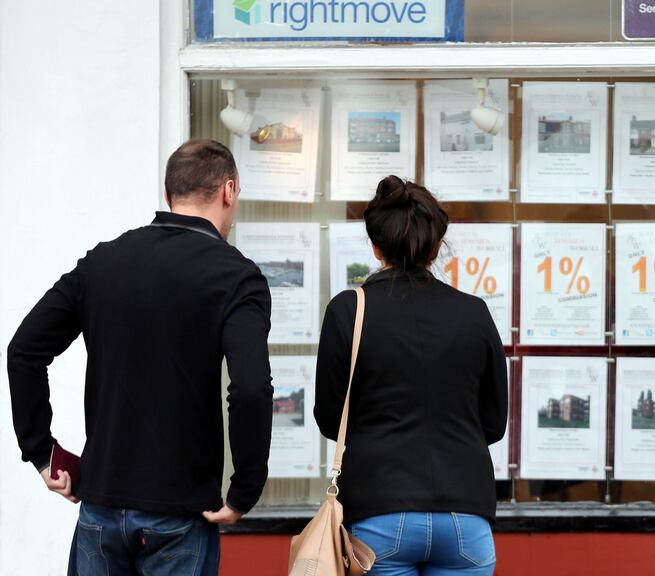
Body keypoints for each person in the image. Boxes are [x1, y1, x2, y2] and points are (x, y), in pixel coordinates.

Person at [6, 139, 273, 575]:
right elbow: (251, 388)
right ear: (229, 191)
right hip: (181, 515)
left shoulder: (102, 262)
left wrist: (42, 452)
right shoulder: (237, 276)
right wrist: (245, 489)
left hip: (101, 506)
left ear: (169, 194)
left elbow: (24, 351)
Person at [314, 175, 508, 576]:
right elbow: (493, 422)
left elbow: (331, 418)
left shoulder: (348, 310)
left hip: (379, 509)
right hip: (466, 513)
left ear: (375, 245)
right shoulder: (474, 312)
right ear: (436, 246)